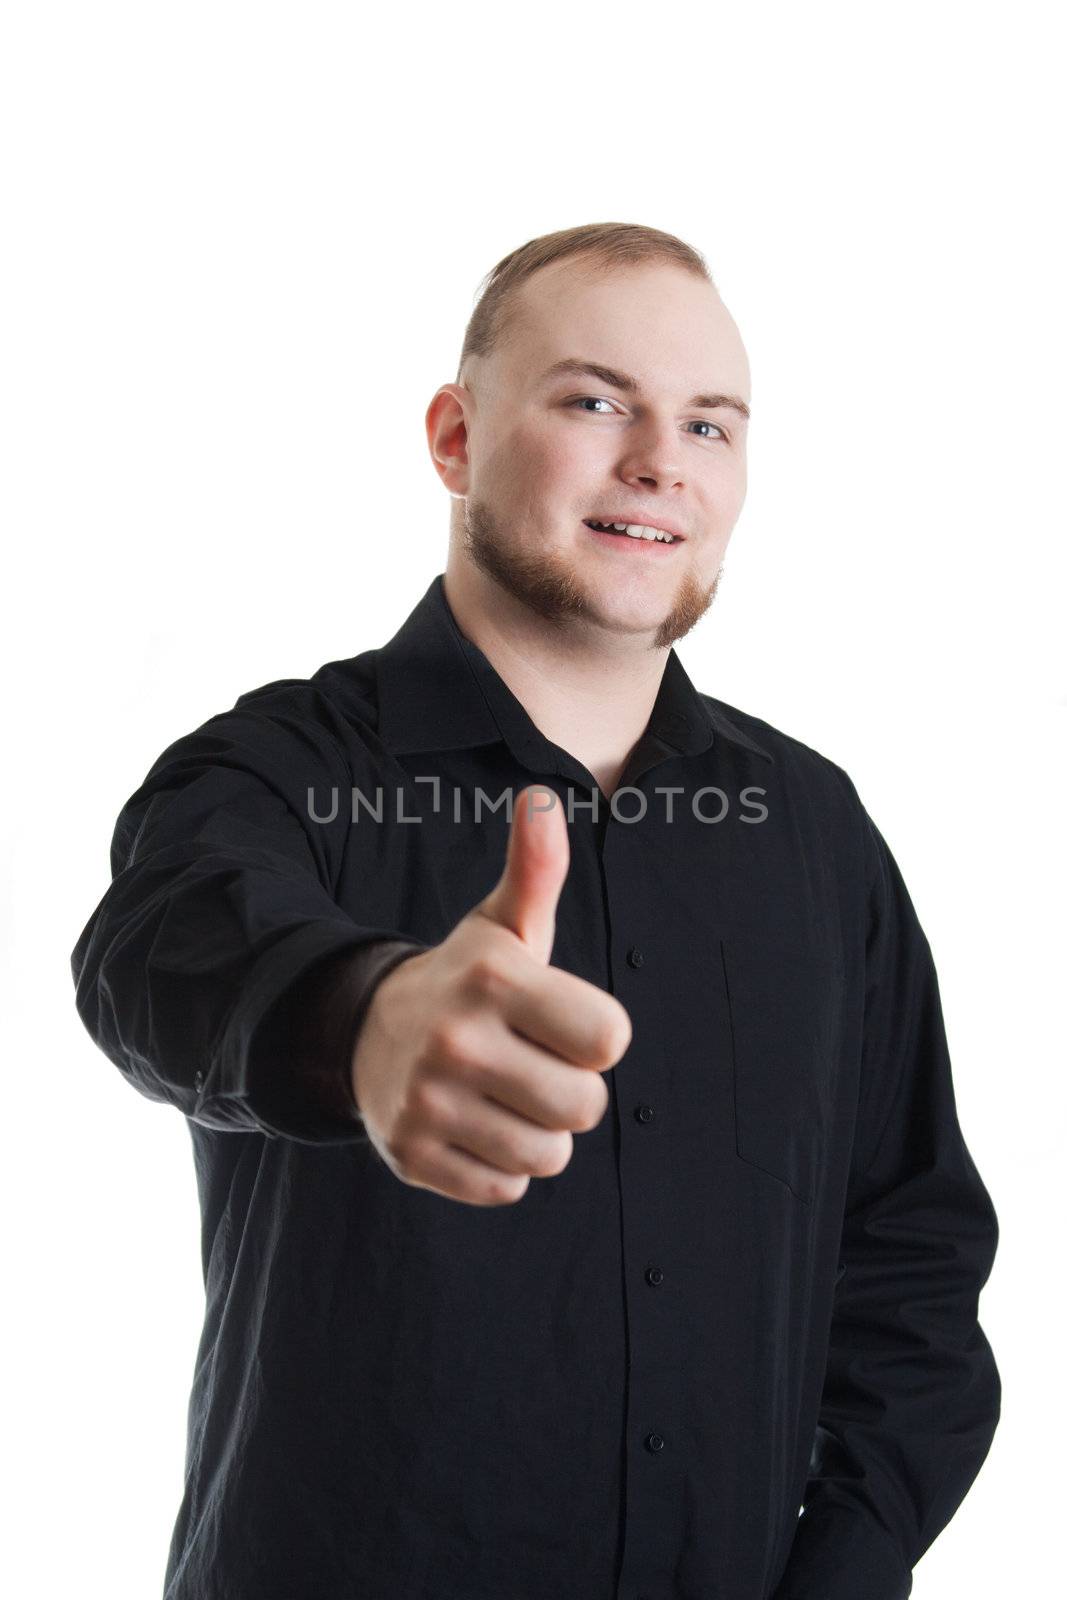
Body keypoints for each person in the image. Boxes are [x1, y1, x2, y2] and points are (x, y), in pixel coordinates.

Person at [70, 221, 1000, 1600]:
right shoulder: (276, 770)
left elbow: (910, 1267)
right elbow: (159, 953)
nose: (660, 461)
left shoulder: (816, 832)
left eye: (711, 424)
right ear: (455, 438)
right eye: (594, 400)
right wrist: (365, 1019)